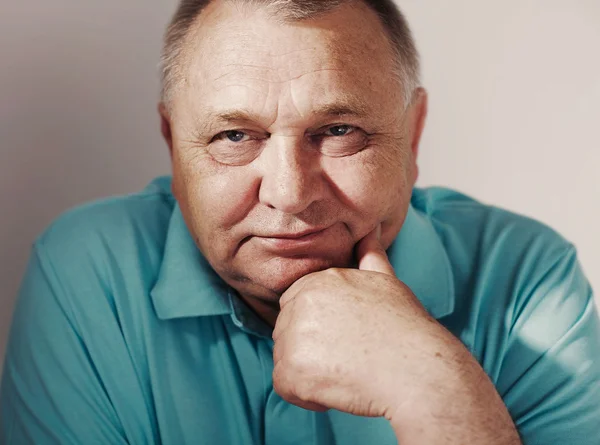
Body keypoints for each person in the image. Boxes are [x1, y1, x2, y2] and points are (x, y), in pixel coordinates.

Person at [1, 0, 599, 443]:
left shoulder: (525, 275)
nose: (289, 195)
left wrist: (434, 387)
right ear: (172, 146)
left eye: (339, 132)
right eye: (234, 136)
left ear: (412, 136)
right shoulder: (87, 269)